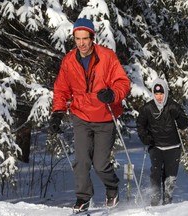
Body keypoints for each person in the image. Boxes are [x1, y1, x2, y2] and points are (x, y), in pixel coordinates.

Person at [49, 18, 130, 213]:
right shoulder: (69, 61)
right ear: (74, 38)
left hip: (104, 116)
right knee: (82, 160)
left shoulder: (107, 57)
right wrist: (58, 112)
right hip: (81, 116)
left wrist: (112, 94)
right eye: (78, 38)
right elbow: (61, 89)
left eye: (85, 38)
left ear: (92, 38)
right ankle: (83, 198)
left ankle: (112, 188)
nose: (82, 43)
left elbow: (123, 82)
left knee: (101, 165)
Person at [136, 78, 188, 206]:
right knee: (156, 173)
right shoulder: (147, 108)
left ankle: (167, 202)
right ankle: (155, 201)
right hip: (156, 146)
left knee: (170, 177)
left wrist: (178, 115)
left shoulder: (172, 105)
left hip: (173, 147)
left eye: (161, 93)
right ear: (153, 94)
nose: (159, 97)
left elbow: (184, 124)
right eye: (156, 94)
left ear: (165, 92)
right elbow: (140, 125)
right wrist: (145, 137)